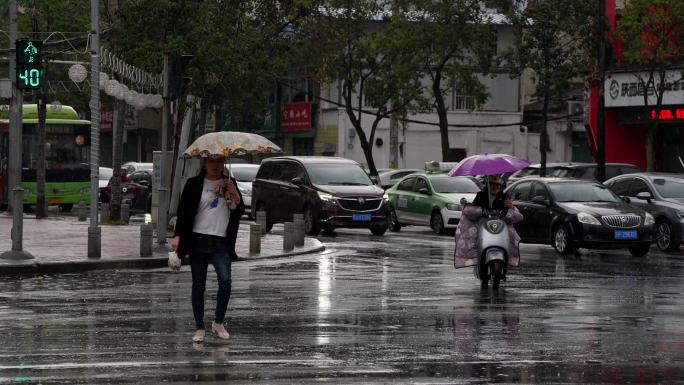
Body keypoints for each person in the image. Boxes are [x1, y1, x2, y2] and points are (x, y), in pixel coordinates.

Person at [171, 156, 241, 343]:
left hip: (221, 242)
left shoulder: (229, 183)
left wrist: (233, 192)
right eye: (212, 161)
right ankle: (200, 328)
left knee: (225, 281)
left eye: (220, 162)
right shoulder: (194, 184)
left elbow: (237, 210)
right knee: (199, 285)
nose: (216, 165)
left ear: (224, 163)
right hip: (197, 239)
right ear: (204, 163)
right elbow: (183, 211)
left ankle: (218, 322)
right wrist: (177, 236)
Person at [454, 175, 523, 268]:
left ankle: (509, 257)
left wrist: (511, 207)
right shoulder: (481, 195)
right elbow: (472, 209)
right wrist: (479, 210)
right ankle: (473, 257)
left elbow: (515, 214)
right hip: (483, 225)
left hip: (500, 225)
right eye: (492, 184)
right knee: (470, 235)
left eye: (497, 185)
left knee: (511, 234)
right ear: (488, 185)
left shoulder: (504, 196)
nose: (495, 187)